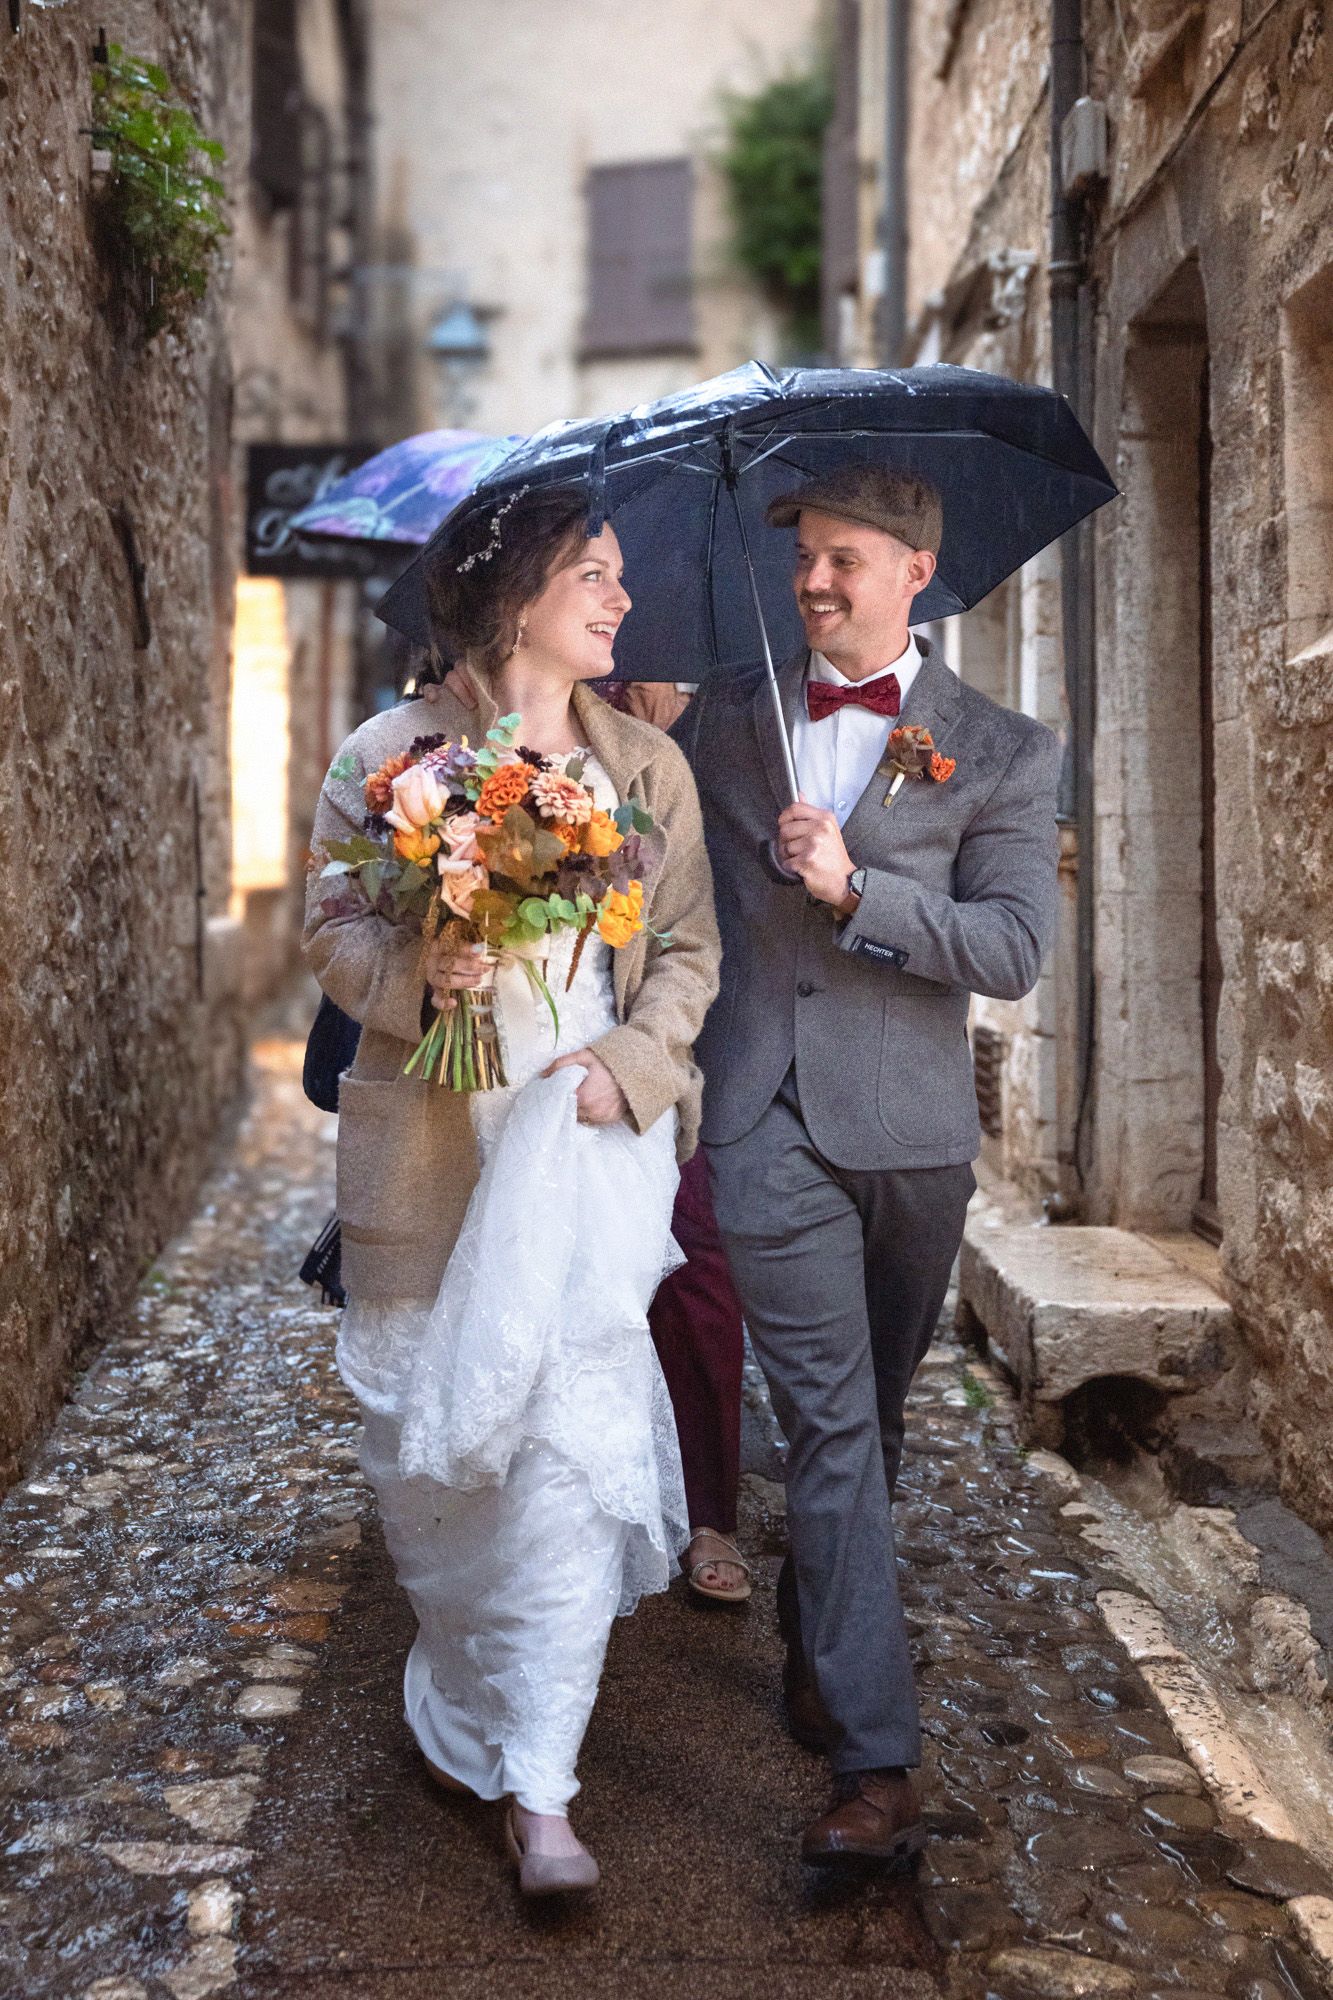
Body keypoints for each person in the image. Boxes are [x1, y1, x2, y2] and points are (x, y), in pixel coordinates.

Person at [303, 485, 720, 1895]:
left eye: (613, 577)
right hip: (430, 1140)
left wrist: (630, 1065)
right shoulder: (385, 755)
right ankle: (462, 1696)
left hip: (579, 1134)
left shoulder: (644, 766)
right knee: (435, 1467)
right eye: (590, 577)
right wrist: (427, 968)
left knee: (558, 1453)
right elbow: (334, 931)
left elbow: (684, 956)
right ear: (513, 599)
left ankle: (543, 1785)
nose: (616, 600)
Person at [674, 464, 1061, 1868]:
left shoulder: (1003, 749)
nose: (814, 582)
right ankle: (876, 1761)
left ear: (915, 570)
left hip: (910, 1138)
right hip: (760, 1110)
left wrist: (859, 891)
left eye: (842, 559)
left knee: (873, 1427)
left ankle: (816, 1638)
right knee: (829, 1424)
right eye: (802, 562)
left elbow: (1013, 951)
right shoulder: (723, 714)